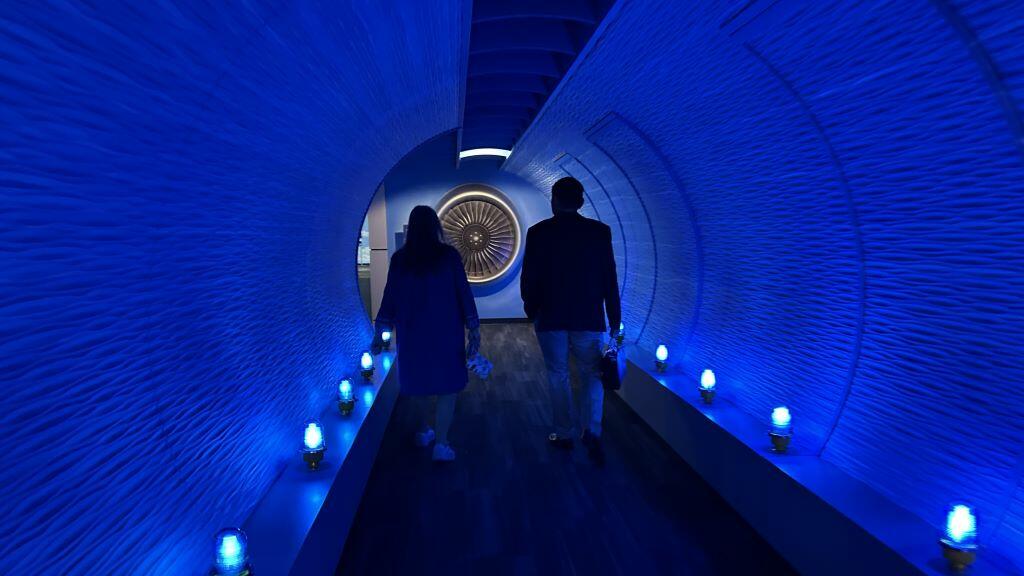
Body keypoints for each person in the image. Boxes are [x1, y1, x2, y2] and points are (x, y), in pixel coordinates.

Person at [521, 176, 621, 465]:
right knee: (592, 374)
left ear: (554, 200)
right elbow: (609, 279)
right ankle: (592, 430)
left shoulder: (538, 232)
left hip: (550, 315)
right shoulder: (600, 232)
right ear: (581, 201)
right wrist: (614, 317)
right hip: (589, 316)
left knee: (558, 374)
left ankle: (564, 432)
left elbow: (530, 277)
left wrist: (532, 309)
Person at [375, 205, 480, 462]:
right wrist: (473, 326)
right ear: (435, 226)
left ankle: (424, 431)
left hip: (412, 335)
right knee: (447, 388)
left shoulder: (400, 260)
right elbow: (463, 292)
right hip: (446, 332)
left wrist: (381, 329)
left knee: (418, 386)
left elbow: (390, 297)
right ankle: (441, 444)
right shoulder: (449, 256)